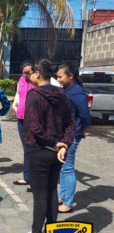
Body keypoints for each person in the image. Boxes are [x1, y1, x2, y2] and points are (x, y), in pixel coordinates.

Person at [16, 59, 75, 233]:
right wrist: (63, 144)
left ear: (38, 74)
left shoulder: (34, 94)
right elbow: (70, 124)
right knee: (51, 192)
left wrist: (56, 143)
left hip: (40, 150)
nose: (30, 75)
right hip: (57, 153)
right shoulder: (61, 93)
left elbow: (33, 127)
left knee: (41, 195)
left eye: (32, 72)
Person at [56, 63, 91, 213]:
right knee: (62, 167)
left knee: (67, 168)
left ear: (70, 76)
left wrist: (82, 129)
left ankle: (68, 202)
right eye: (57, 76)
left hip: (71, 135)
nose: (58, 79)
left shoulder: (77, 93)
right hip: (63, 134)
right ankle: (62, 195)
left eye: (60, 77)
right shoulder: (66, 89)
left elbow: (85, 115)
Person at [12, 62, 34, 187]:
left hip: (33, 119)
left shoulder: (38, 81)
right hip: (21, 118)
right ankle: (27, 177)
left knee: (34, 148)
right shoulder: (21, 80)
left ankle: (35, 179)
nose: (27, 75)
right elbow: (18, 94)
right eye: (25, 73)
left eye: (29, 72)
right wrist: (15, 104)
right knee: (26, 148)